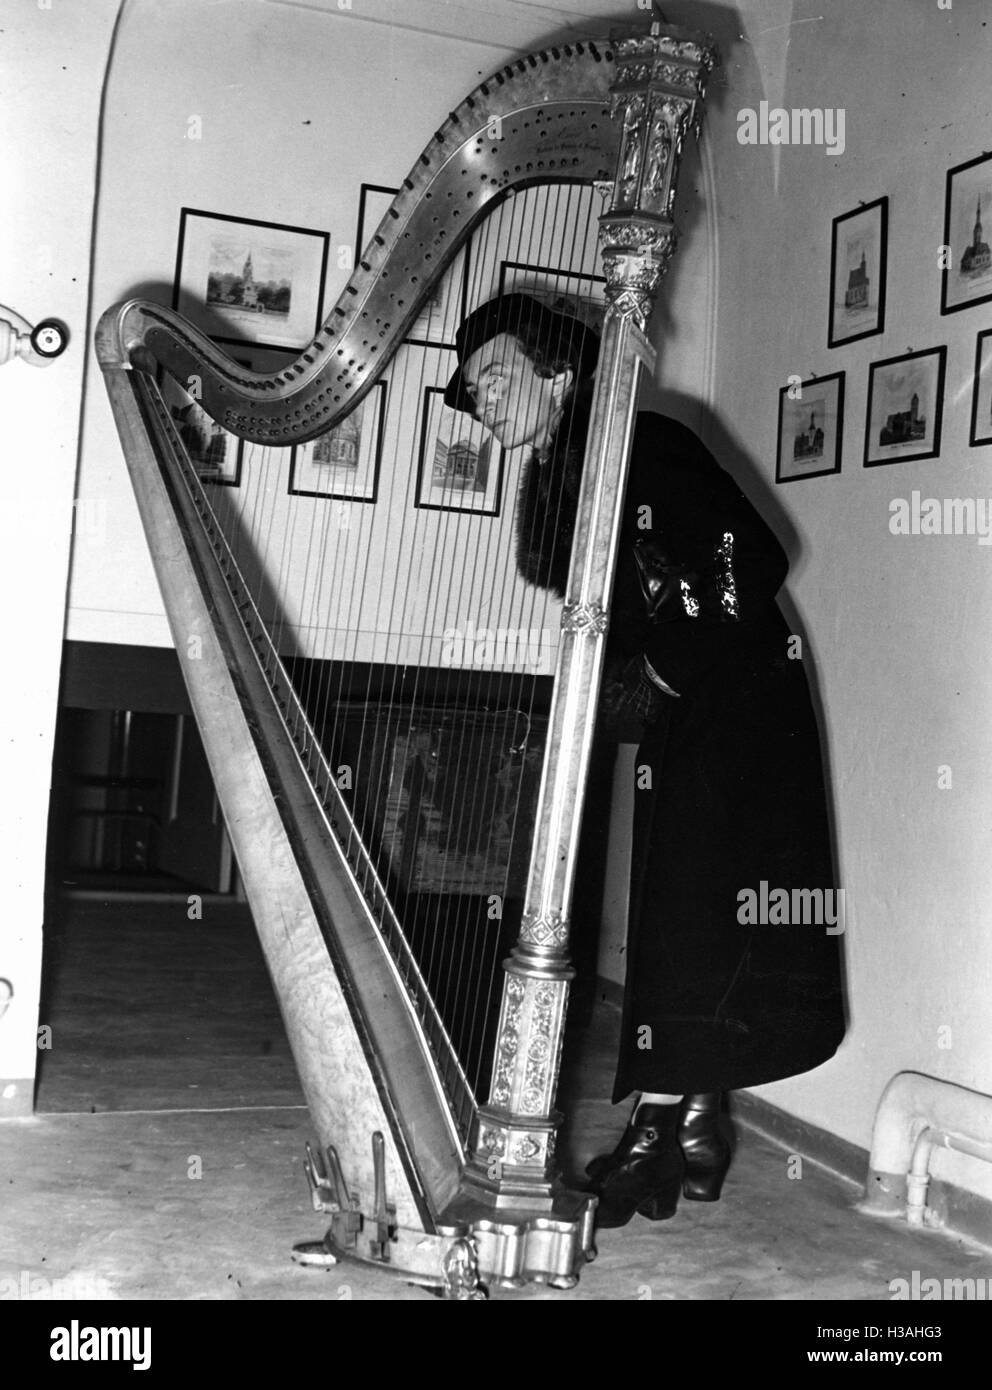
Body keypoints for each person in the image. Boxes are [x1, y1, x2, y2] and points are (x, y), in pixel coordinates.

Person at [444, 293, 846, 1229]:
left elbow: (755, 553)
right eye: (472, 387)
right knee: (690, 910)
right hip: (686, 709)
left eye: (497, 374)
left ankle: (656, 1140)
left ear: (560, 371)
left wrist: (664, 669)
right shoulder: (562, 470)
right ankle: (696, 1131)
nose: (484, 396)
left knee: (686, 911)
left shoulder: (645, 440)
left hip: (738, 699)